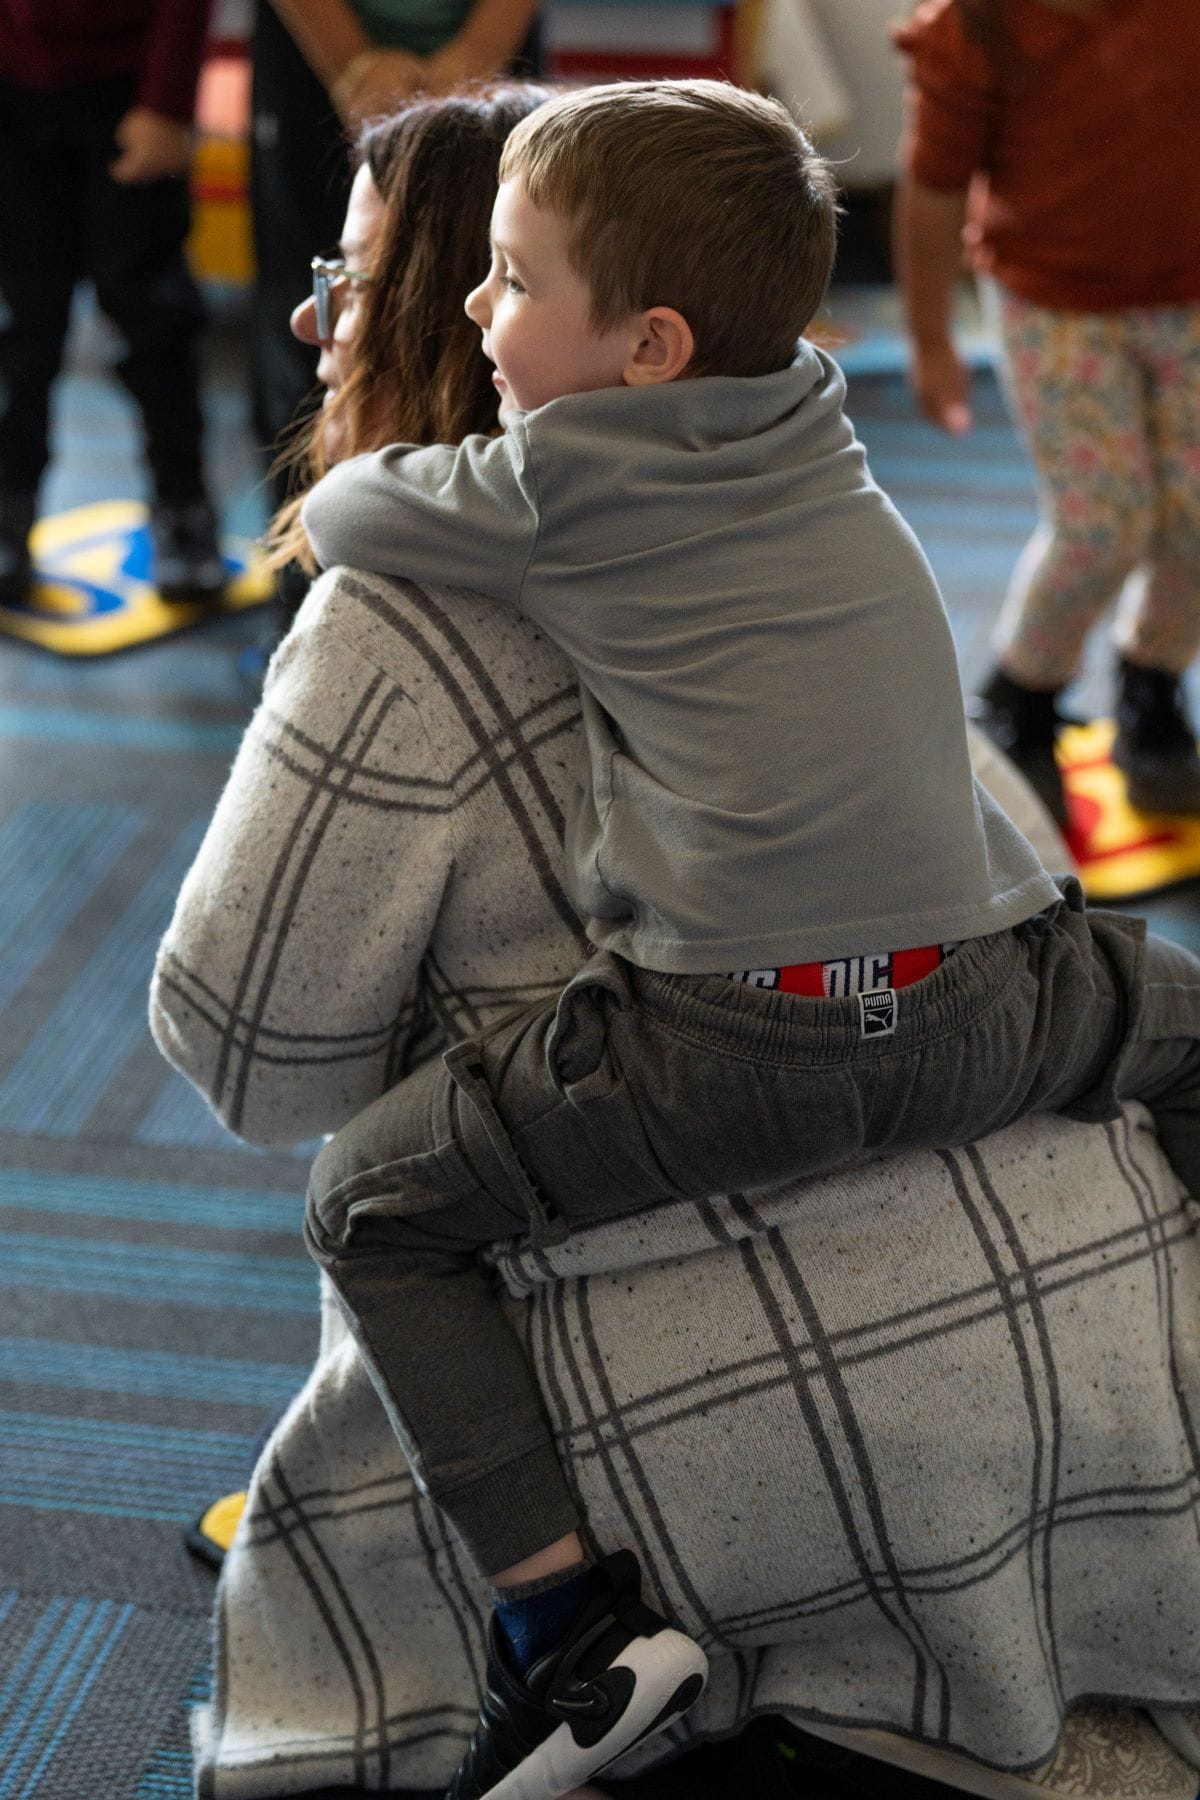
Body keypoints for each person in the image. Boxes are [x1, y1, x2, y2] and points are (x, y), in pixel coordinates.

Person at [152, 86, 1200, 1800]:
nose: (305, 314)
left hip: (741, 1055)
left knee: (369, 1205)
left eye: (343, 277)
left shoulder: (473, 550)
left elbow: (254, 1065)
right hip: (994, 1001)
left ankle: (568, 1635)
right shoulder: (824, 439)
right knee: (1179, 1016)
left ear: (637, 341)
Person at [892, 0, 1200, 827]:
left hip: (1190, 296)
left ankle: (1152, 681)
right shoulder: (978, 23)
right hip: (1056, 304)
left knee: (1196, 517)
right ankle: (1022, 695)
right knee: (1103, 524)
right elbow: (932, 190)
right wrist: (930, 340)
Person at [250, 0, 544, 640]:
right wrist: (350, 63)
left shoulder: (361, 639)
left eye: (356, 284)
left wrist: (479, 51)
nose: (311, 320)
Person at [0, 0, 227, 609]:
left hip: (128, 92)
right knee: (23, 326)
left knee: (155, 319)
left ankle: (184, 509)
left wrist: (166, 105)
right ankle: (8, 512)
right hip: (14, 99)